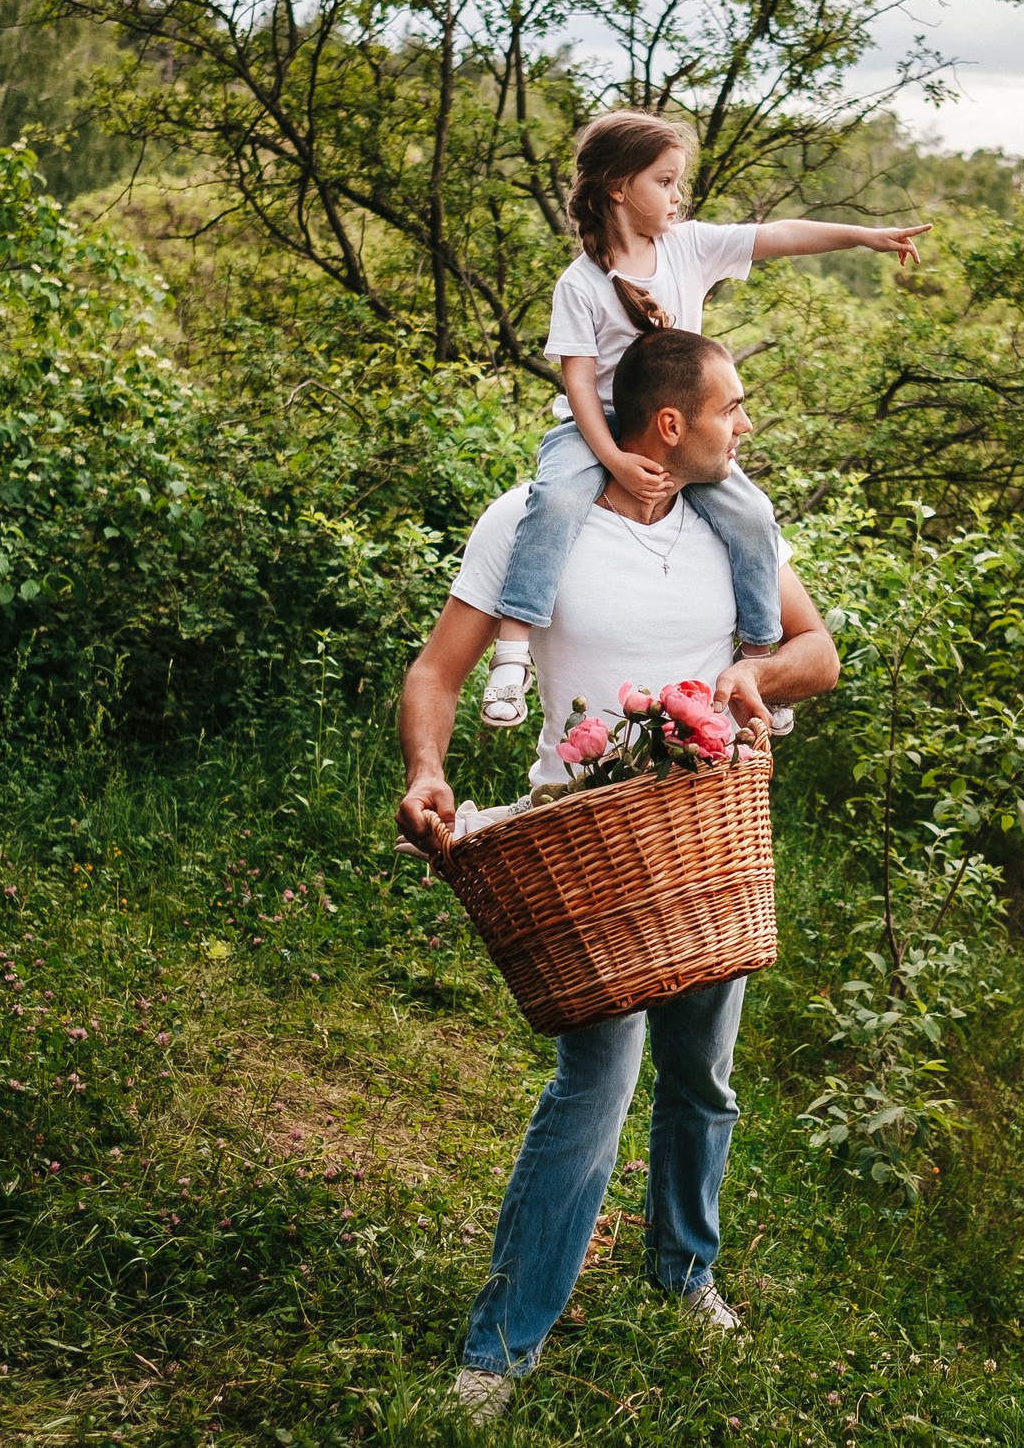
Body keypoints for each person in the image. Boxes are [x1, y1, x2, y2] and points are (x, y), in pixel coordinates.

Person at [395, 329, 841, 1422]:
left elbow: (816, 653)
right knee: (592, 1087)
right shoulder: (530, 522)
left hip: (705, 839)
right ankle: (496, 1356)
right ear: (670, 423)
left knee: (702, 1080)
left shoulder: (737, 523)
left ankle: (683, 1271)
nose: (747, 425)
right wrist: (427, 770)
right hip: (584, 846)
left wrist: (750, 672)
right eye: (733, 407)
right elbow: (435, 670)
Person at [477, 108, 923, 727]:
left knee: (753, 515)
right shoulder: (580, 283)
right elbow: (577, 380)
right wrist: (610, 457)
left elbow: (778, 235)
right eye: (663, 181)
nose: (676, 196)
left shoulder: (687, 248)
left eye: (677, 181)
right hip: (595, 427)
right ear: (616, 185)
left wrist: (865, 236)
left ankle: (761, 658)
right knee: (551, 503)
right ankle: (511, 656)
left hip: (677, 424)